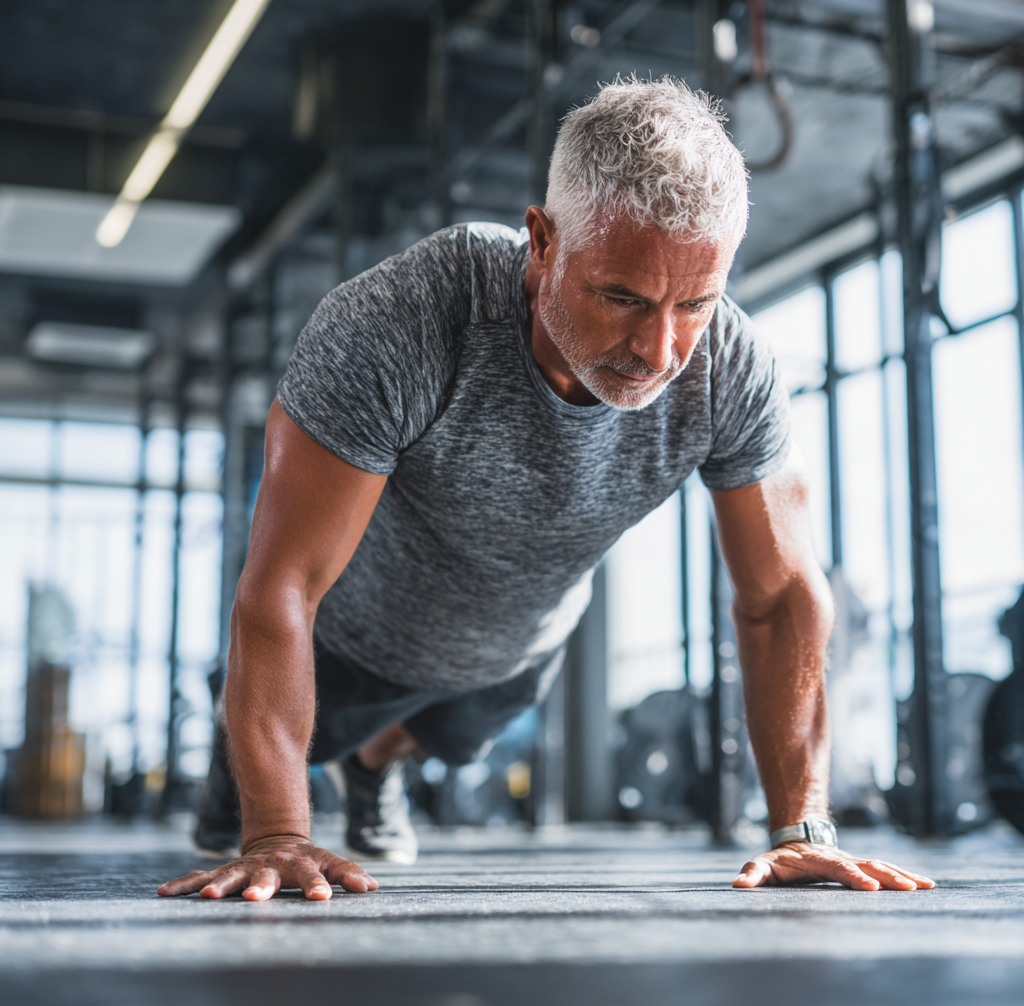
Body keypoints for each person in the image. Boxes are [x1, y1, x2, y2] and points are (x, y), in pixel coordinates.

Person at [159, 77, 933, 903]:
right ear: (541, 241)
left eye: (696, 303)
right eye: (622, 297)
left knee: (440, 735)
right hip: (344, 643)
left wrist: (801, 828)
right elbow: (281, 583)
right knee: (240, 821)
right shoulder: (405, 320)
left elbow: (781, 597)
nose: (658, 348)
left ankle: (375, 765)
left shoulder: (729, 369)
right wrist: (276, 832)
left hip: (513, 647)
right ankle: (257, 752)